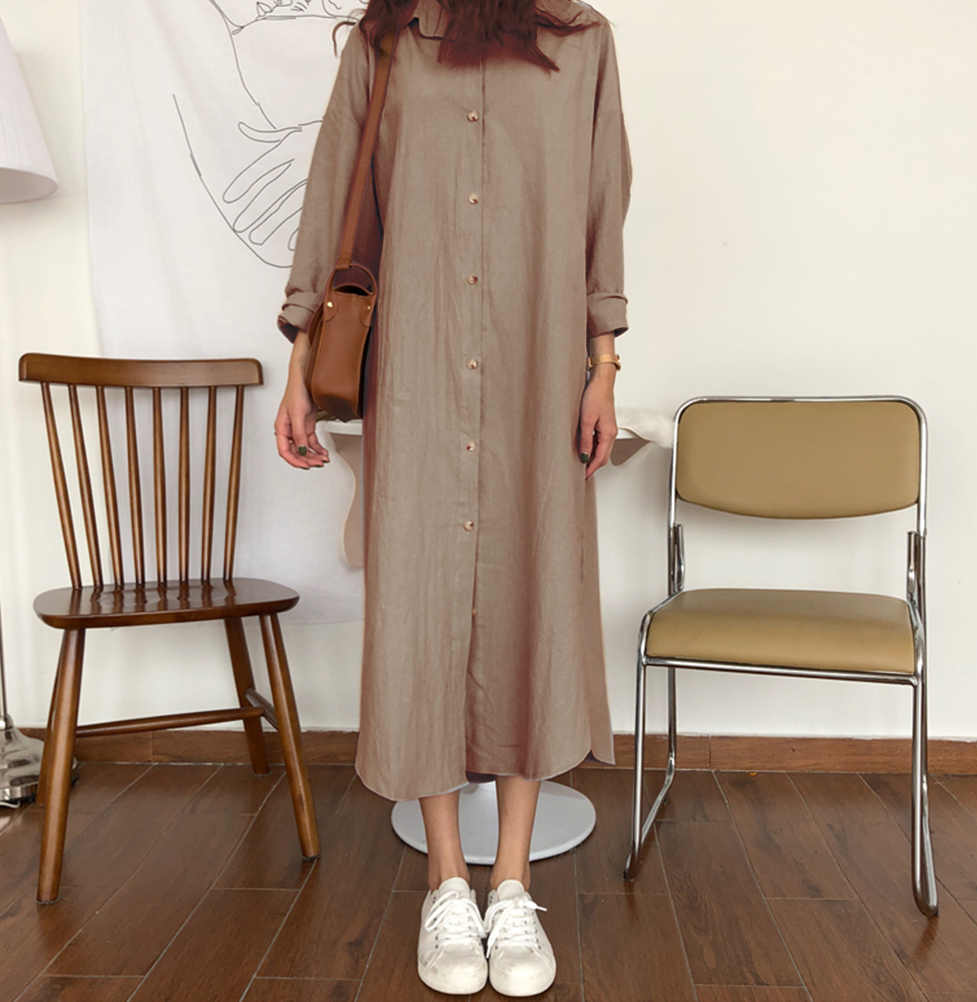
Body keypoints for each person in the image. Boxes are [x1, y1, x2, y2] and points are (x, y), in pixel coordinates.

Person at [274, 0, 631, 995]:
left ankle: (511, 883)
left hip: (539, 364)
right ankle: (445, 882)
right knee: (419, 600)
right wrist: (301, 363)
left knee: (532, 595)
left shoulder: (583, 40)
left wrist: (604, 365)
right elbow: (335, 197)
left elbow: (602, 205)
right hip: (417, 367)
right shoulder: (385, 40)